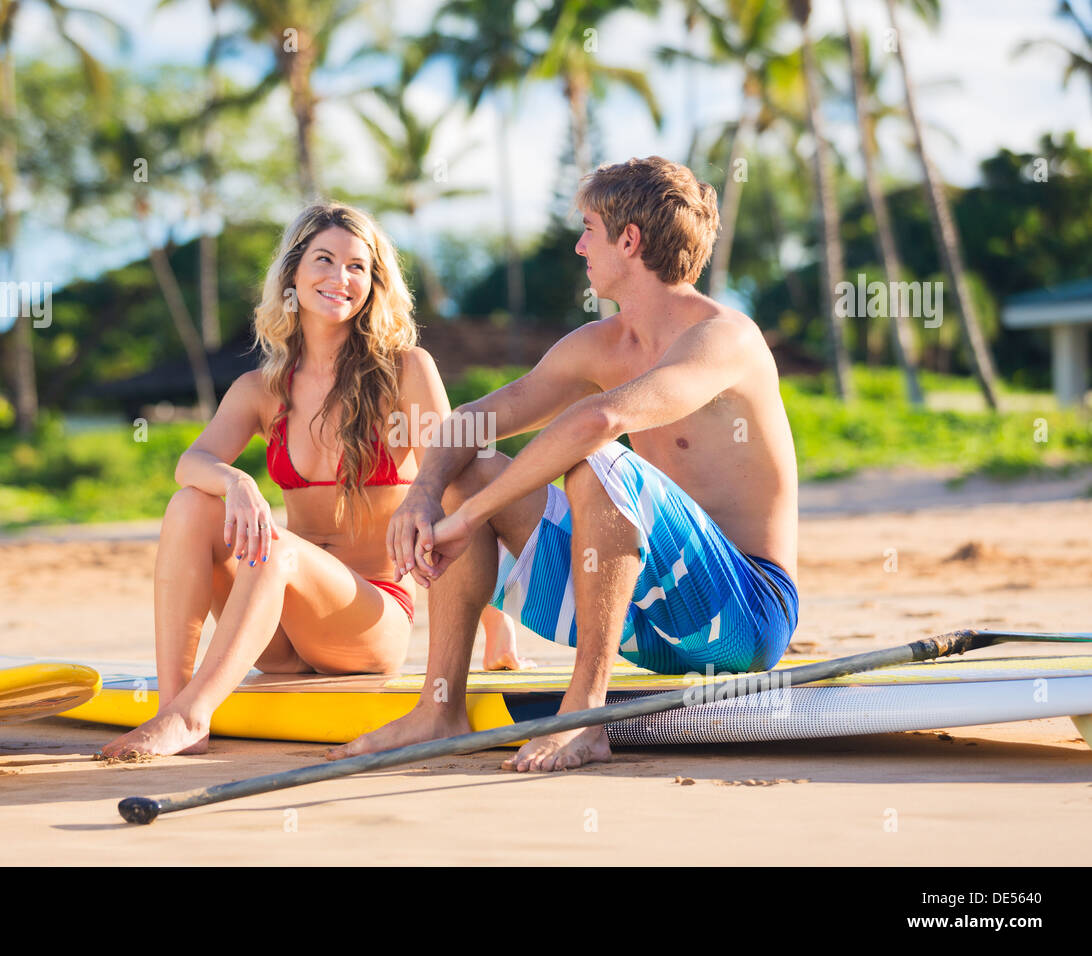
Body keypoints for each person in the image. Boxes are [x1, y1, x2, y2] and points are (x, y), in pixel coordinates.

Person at [332, 156, 801, 772]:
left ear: (628, 241)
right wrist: (425, 493)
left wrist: (470, 519)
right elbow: (475, 417)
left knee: (598, 458)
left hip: (743, 614)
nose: (580, 245)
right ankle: (438, 706)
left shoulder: (725, 338)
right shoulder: (599, 346)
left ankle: (585, 715)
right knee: (468, 464)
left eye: (589, 229)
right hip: (647, 624)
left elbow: (597, 424)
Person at [103, 202, 460, 758]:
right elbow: (190, 463)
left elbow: (458, 487)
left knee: (276, 549)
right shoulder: (260, 388)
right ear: (293, 272)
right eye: (323, 259)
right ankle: (174, 708)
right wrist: (237, 484)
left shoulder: (408, 370)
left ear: (374, 282)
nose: (339, 277)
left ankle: (195, 714)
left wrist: (495, 619)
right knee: (190, 505)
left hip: (371, 619)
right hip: (279, 634)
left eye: (357, 266)